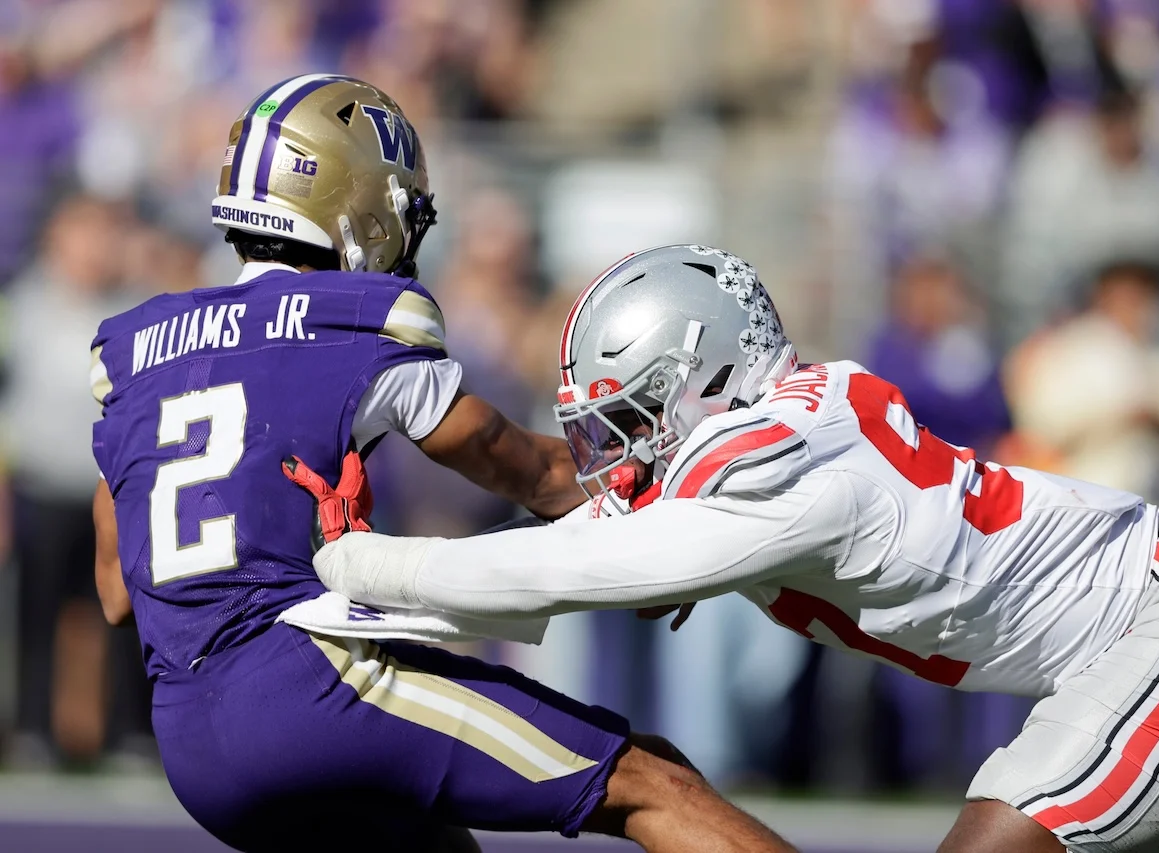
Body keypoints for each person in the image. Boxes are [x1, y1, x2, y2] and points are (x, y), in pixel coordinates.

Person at [303, 244, 1159, 853]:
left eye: (632, 417)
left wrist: (350, 564)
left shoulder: (769, 460)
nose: (615, 453)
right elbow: (590, 531)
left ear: (705, 374)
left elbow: (565, 571)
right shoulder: (786, 425)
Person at [89, 76, 795, 853]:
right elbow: (532, 471)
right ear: (355, 207)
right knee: (654, 782)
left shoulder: (138, 355)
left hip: (189, 736)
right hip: (308, 687)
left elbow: (120, 591)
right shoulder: (350, 326)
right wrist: (674, 519)